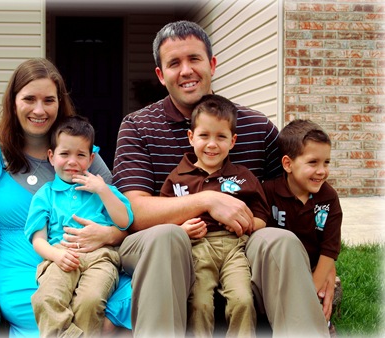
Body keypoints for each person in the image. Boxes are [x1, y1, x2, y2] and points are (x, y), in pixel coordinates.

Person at [111, 20, 333, 337]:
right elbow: (132, 212)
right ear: (161, 75)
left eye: (194, 59)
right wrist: (208, 200)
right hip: (166, 243)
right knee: (165, 238)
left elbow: (302, 194)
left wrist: (327, 259)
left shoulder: (256, 127)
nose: (186, 70)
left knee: (280, 241)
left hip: (239, 246)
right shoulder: (138, 127)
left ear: (212, 64)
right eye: (174, 63)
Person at [0, 58, 126, 337]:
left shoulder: (84, 158)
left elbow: (121, 213)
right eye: (29, 99)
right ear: (13, 102)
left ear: (59, 104)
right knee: (45, 313)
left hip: (89, 265)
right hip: (22, 276)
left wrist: (109, 235)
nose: (39, 110)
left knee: (125, 304)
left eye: (49, 100)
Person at [159, 94, 269, 337]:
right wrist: (182, 228)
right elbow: (165, 215)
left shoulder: (242, 176)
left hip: (234, 248)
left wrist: (247, 224)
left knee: (242, 301)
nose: (212, 144)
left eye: (221, 137)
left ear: (232, 141)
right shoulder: (179, 178)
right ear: (191, 138)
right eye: (204, 136)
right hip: (198, 247)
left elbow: (262, 214)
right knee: (200, 304)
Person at [24, 116, 134, 337]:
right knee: (45, 299)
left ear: (91, 158)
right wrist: (55, 256)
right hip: (61, 257)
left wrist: (102, 190)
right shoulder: (45, 194)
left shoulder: (102, 190)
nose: (72, 161)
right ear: (51, 156)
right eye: (64, 154)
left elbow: (124, 222)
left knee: (90, 301)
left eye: (81, 155)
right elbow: (38, 240)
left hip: (101, 257)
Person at [262, 119, 342, 323]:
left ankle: (322, 322)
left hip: (313, 270)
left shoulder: (329, 198)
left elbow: (329, 249)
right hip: (279, 271)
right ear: (288, 164)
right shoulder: (269, 192)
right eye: (313, 162)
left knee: (319, 300)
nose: (322, 170)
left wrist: (312, 291)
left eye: (326, 162)